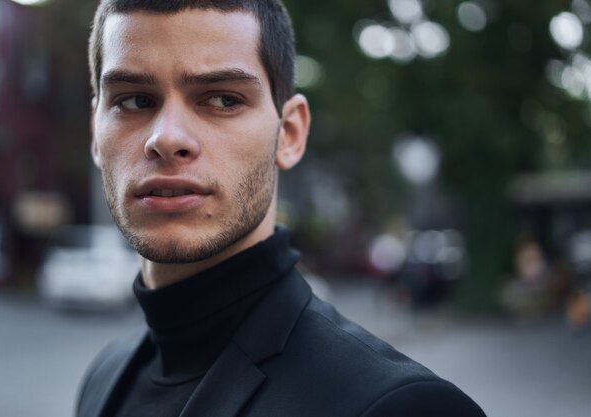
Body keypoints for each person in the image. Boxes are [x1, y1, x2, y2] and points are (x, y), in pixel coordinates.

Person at [77, 1, 486, 416]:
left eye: (221, 99)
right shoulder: (104, 377)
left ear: (289, 134)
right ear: (96, 134)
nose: (167, 138)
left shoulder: (399, 407)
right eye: (133, 101)